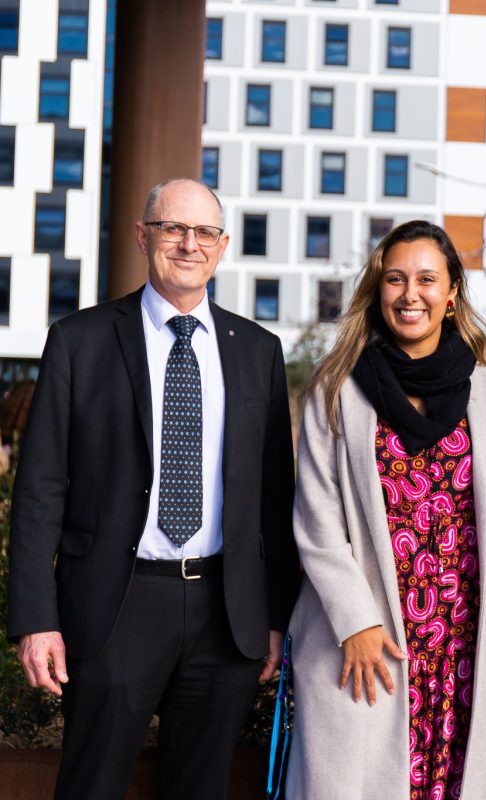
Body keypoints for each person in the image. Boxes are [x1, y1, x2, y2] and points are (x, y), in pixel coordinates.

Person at [6, 178, 299, 799]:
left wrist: (273, 618)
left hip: (226, 609)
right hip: (117, 603)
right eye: (173, 228)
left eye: (205, 233)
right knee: (92, 785)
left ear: (222, 248)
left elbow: (275, 498)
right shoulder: (78, 341)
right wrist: (36, 620)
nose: (188, 244)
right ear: (144, 236)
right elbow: (38, 491)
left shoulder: (259, 352)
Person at [285, 220, 486, 799]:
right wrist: (356, 623)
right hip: (369, 642)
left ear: (451, 294)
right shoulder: (337, 387)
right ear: (378, 290)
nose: (409, 293)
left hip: (467, 639)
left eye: (425, 279)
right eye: (395, 279)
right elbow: (318, 522)